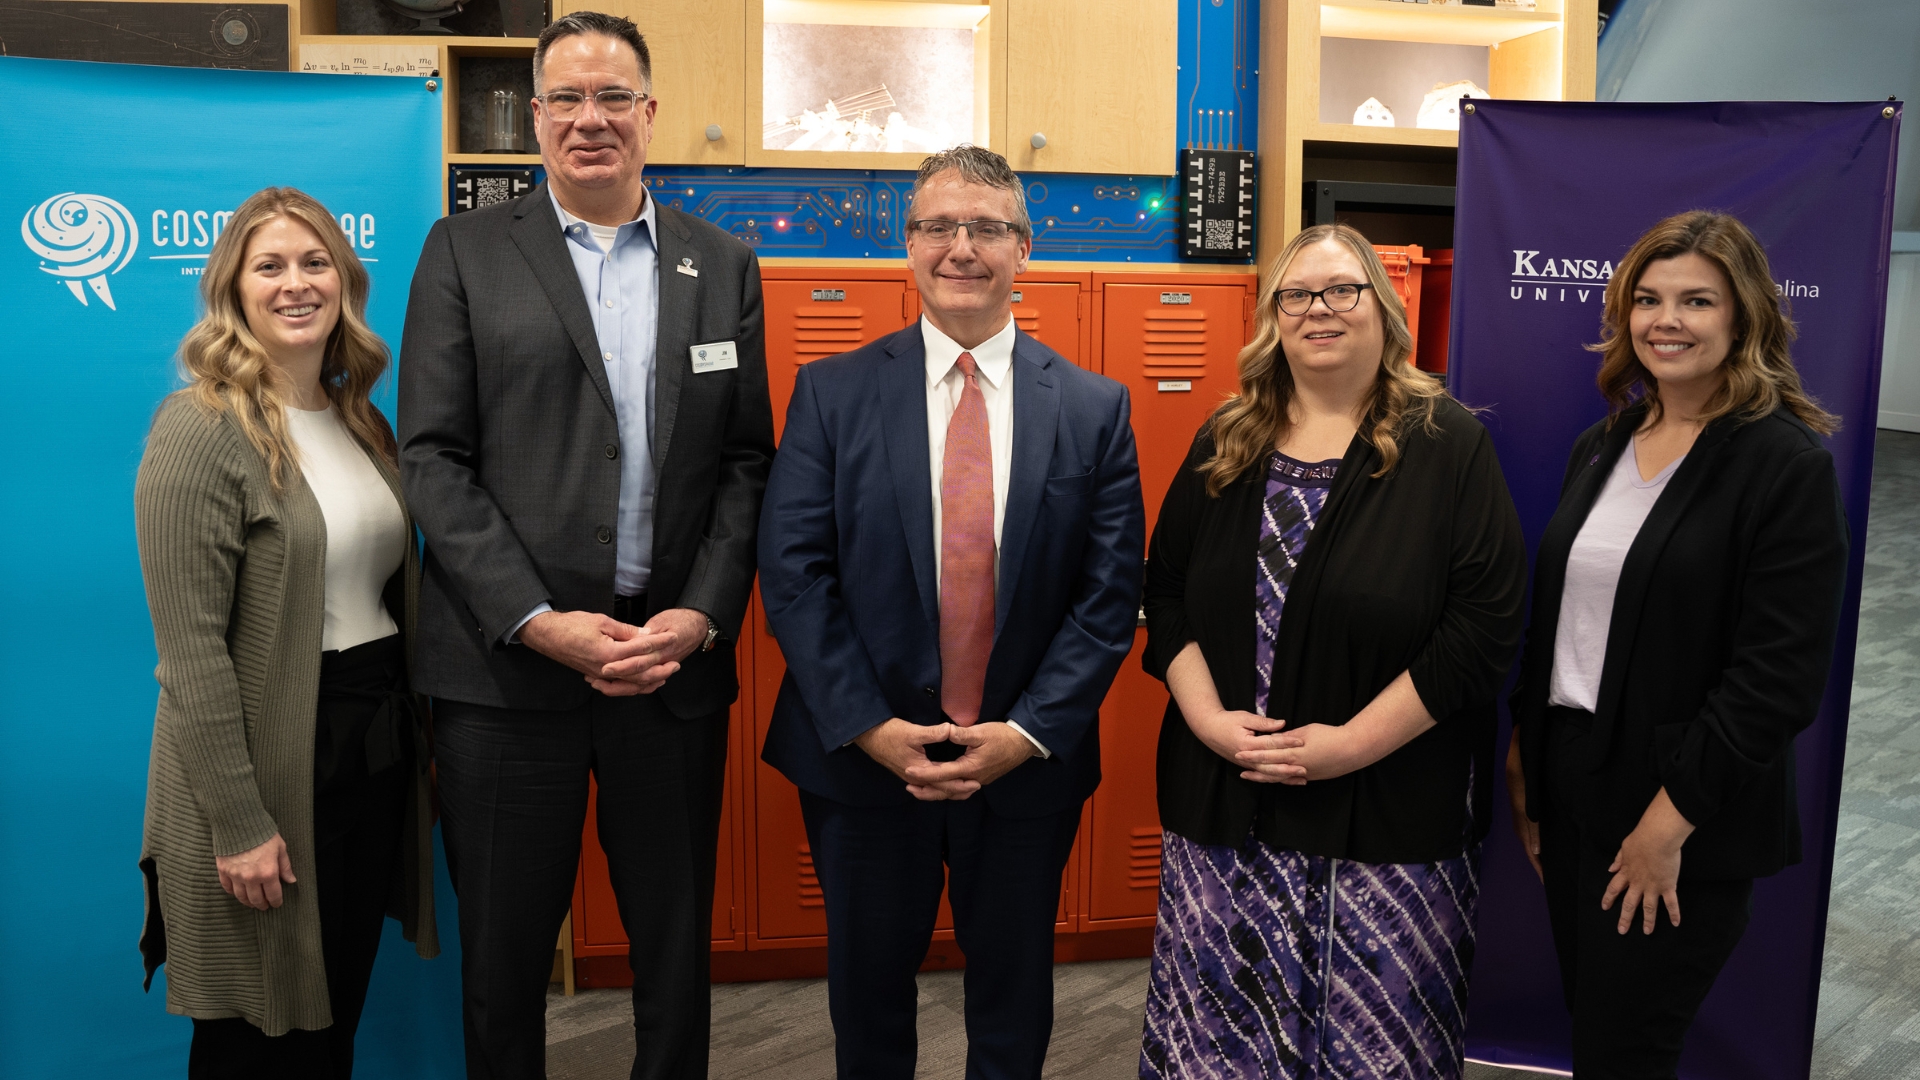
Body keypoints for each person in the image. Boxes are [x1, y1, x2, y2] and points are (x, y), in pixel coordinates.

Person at [397, 11, 775, 1079]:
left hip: (669, 676)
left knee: (671, 953)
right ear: (534, 117)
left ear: (651, 116)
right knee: (504, 965)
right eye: (567, 99)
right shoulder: (466, 251)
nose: (591, 119)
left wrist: (699, 618)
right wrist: (541, 621)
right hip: (507, 681)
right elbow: (432, 457)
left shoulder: (723, 264)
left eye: (614, 98)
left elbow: (748, 460)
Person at [757, 144, 1144, 1080]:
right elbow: (795, 572)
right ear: (909, 245)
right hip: (863, 764)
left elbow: (1107, 594)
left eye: (987, 228)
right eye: (938, 226)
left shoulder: (1094, 407)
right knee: (868, 1007)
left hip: (1023, 769)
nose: (961, 246)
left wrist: (1029, 731)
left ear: (1025, 249)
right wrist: (868, 727)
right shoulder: (833, 391)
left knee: (1013, 1010)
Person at [1137, 223, 1528, 1079]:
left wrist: (1347, 747)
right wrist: (1208, 721)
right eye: (1297, 294)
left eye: (1342, 290)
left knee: (1370, 1049)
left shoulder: (1447, 443)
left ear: (1383, 310)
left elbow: (1484, 628)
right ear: (1275, 318)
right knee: (1221, 1046)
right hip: (1227, 810)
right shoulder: (1226, 440)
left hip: (1385, 816)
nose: (1320, 309)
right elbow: (1164, 596)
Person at [1505, 210, 1849, 1078]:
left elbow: (1778, 677)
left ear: (1743, 318)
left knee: (1628, 1050)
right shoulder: (1607, 441)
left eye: (1698, 300)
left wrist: (1666, 825)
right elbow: (1565, 619)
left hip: (1680, 806)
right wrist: (1529, 755)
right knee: (1598, 1031)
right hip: (1576, 779)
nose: (1668, 320)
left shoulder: (1783, 464)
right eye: (1648, 299)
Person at [136, 186, 437, 1079]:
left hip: (366, 745)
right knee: (256, 1034)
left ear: (344, 282)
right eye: (269, 266)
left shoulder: (361, 421)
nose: (295, 284)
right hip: (268, 762)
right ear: (233, 289)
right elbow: (190, 654)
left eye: (315, 264)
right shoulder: (198, 429)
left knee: (331, 1016)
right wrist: (237, 822)